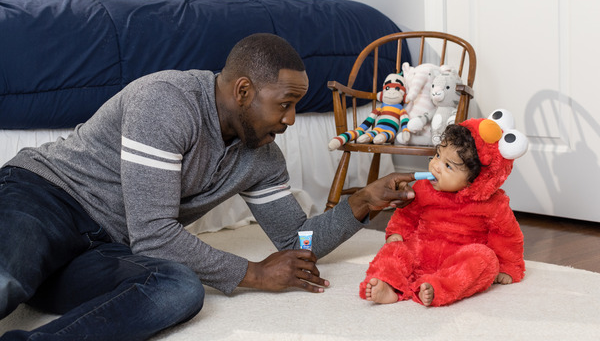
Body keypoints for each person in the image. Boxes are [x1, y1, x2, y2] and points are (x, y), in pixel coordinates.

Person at [0, 33, 416, 340]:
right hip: (44, 196)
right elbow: (154, 234)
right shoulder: (166, 101)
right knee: (8, 274)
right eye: (285, 104)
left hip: (105, 243)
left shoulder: (262, 156)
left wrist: (361, 204)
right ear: (243, 90)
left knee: (178, 287)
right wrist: (253, 273)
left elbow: (295, 239)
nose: (291, 120)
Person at [360, 111, 528, 307]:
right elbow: (406, 215)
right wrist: (396, 234)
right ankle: (387, 284)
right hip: (420, 250)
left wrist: (508, 267)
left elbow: (506, 236)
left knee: (485, 260)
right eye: (438, 155)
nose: (436, 166)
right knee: (394, 250)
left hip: (458, 260)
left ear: (476, 180)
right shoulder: (423, 188)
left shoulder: (493, 204)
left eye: (448, 166)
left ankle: (437, 287)